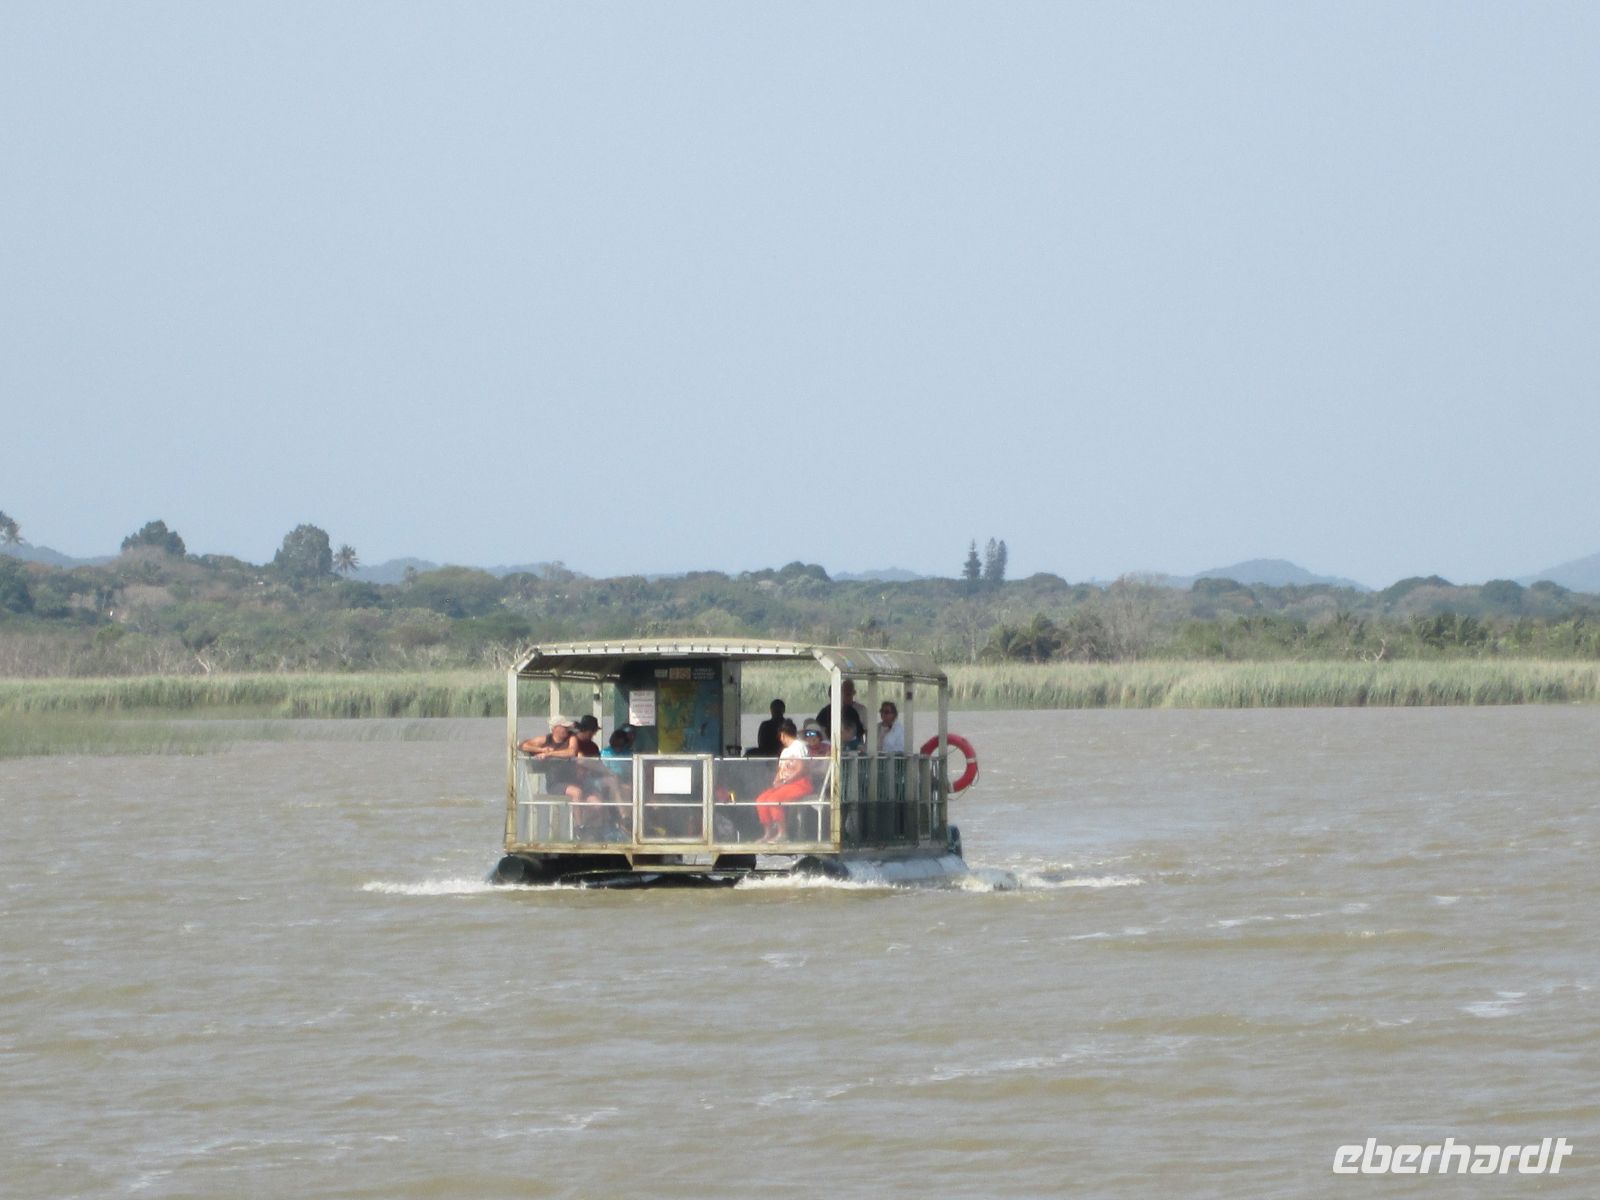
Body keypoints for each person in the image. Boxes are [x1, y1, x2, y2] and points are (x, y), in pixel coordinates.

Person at [754, 719, 812, 842]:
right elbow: (781, 771)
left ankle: (782, 833)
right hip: (785, 785)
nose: (781, 739)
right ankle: (768, 833)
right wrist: (776, 781)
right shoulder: (785, 751)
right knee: (761, 800)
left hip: (800, 784)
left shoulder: (799, 746)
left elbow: (802, 769)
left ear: (783, 735)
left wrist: (787, 781)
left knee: (774, 800)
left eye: (780, 736)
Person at [816, 678, 867, 750]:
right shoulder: (824, 713)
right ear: (829, 695)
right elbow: (817, 730)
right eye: (832, 694)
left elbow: (859, 732)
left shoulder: (852, 711)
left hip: (852, 749)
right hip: (829, 748)